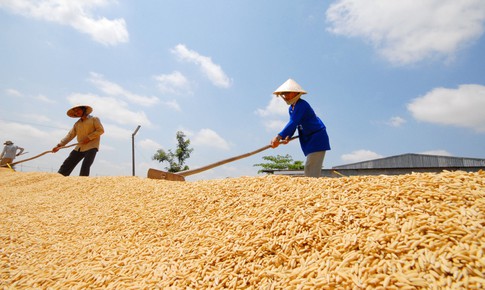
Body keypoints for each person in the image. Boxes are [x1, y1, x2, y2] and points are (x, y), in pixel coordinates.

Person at [270, 78, 330, 177]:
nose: (285, 96)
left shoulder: (302, 105)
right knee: (309, 166)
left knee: (311, 167)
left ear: (295, 93)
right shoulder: (291, 108)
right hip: (308, 138)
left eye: (288, 93)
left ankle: (312, 189)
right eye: (284, 94)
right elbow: (294, 125)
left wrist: (278, 137)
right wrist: (287, 137)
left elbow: (293, 122)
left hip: (317, 137)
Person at [53, 105, 104, 176]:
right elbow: (70, 135)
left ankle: (82, 183)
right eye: (75, 112)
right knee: (67, 163)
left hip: (91, 146)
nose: (77, 112)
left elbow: (100, 130)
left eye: (78, 110)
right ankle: (58, 179)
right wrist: (59, 145)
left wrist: (89, 138)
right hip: (79, 147)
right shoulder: (77, 124)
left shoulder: (94, 119)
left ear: (84, 110)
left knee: (85, 166)